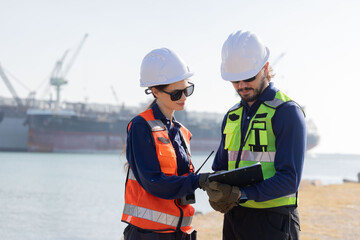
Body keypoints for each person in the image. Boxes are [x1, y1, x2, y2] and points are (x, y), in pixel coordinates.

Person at [204, 30, 306, 239]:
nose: (241, 86)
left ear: (266, 68)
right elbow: (221, 166)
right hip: (234, 218)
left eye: (248, 78)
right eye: (235, 80)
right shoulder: (232, 115)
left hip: (273, 222)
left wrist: (242, 194)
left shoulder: (286, 112)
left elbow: (290, 179)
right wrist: (214, 185)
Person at [121, 48, 209, 240]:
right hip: (149, 235)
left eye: (187, 90)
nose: (184, 97)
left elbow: (182, 181)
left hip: (182, 233)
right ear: (155, 91)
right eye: (176, 93)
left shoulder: (182, 133)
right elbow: (154, 183)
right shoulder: (140, 126)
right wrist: (198, 181)